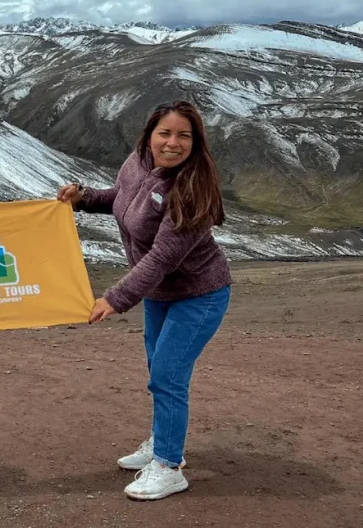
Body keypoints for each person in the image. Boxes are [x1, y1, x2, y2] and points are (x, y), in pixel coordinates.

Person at [57, 100, 232, 502]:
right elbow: (120, 198)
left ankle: (169, 467)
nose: (173, 143)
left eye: (184, 135)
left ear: (196, 141)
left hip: (200, 294)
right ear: (150, 135)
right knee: (160, 372)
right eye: (164, 133)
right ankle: (164, 442)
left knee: (168, 375)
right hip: (160, 294)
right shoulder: (136, 163)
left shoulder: (192, 188)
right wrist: (82, 197)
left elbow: (163, 256)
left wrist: (115, 298)